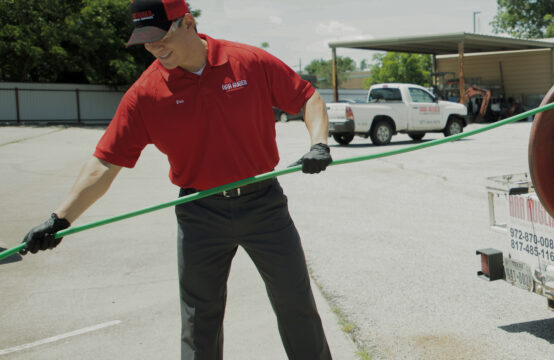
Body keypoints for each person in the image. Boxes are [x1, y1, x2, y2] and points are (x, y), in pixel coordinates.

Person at [19, 0, 334, 358]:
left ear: (187, 22)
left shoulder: (247, 61)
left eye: (160, 36)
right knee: (199, 322)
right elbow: (105, 163)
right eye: (145, 40)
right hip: (199, 213)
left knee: (296, 306)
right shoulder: (146, 94)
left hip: (264, 204)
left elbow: (308, 97)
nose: (154, 47)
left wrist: (319, 143)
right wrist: (60, 218)